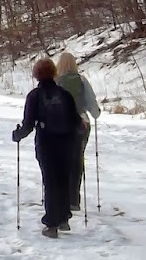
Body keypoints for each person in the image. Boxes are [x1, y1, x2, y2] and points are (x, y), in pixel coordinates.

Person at [12, 57, 82, 237]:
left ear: (36, 74)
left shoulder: (34, 96)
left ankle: (51, 224)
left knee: (50, 181)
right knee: (64, 178)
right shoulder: (64, 94)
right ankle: (64, 217)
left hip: (46, 142)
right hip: (67, 142)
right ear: (53, 72)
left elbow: (28, 123)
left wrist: (17, 135)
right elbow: (76, 120)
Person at [55, 51, 101, 210]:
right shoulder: (82, 80)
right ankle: (74, 199)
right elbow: (92, 105)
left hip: (60, 125)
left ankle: (61, 197)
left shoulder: (55, 81)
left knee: (60, 161)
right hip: (82, 123)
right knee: (77, 159)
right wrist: (96, 113)